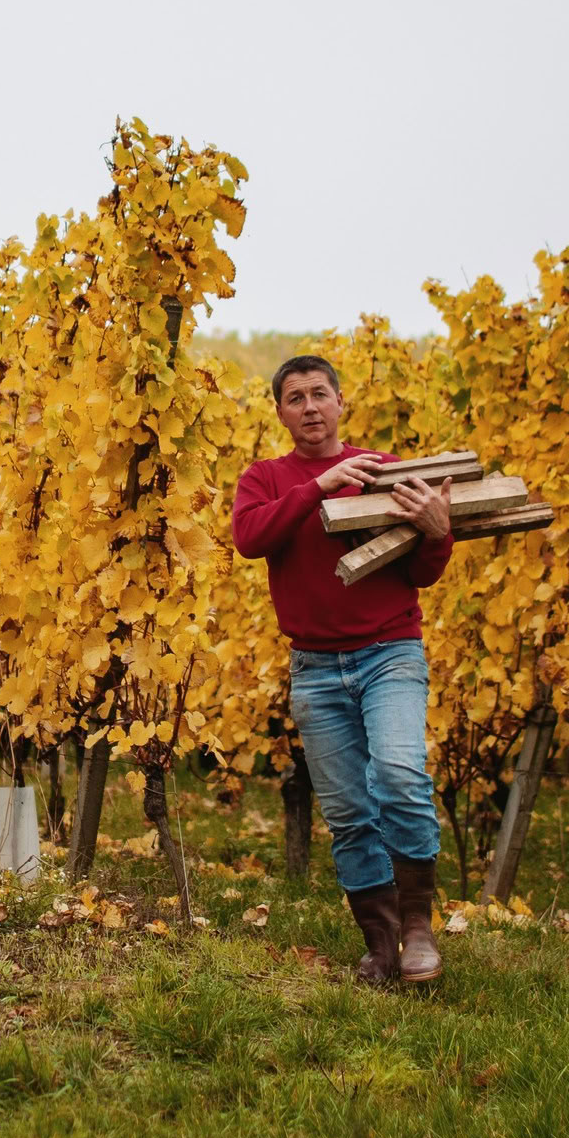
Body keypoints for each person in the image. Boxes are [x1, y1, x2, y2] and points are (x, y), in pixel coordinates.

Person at [230, 355, 455, 985]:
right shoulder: (267, 478)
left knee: (400, 773)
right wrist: (319, 489)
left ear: (340, 403)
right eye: (295, 397)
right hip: (315, 669)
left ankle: (417, 930)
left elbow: (419, 571)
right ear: (280, 412)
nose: (309, 407)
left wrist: (438, 535)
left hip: (389, 653)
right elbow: (250, 538)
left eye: (319, 394)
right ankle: (382, 947)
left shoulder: (385, 471)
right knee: (350, 812)